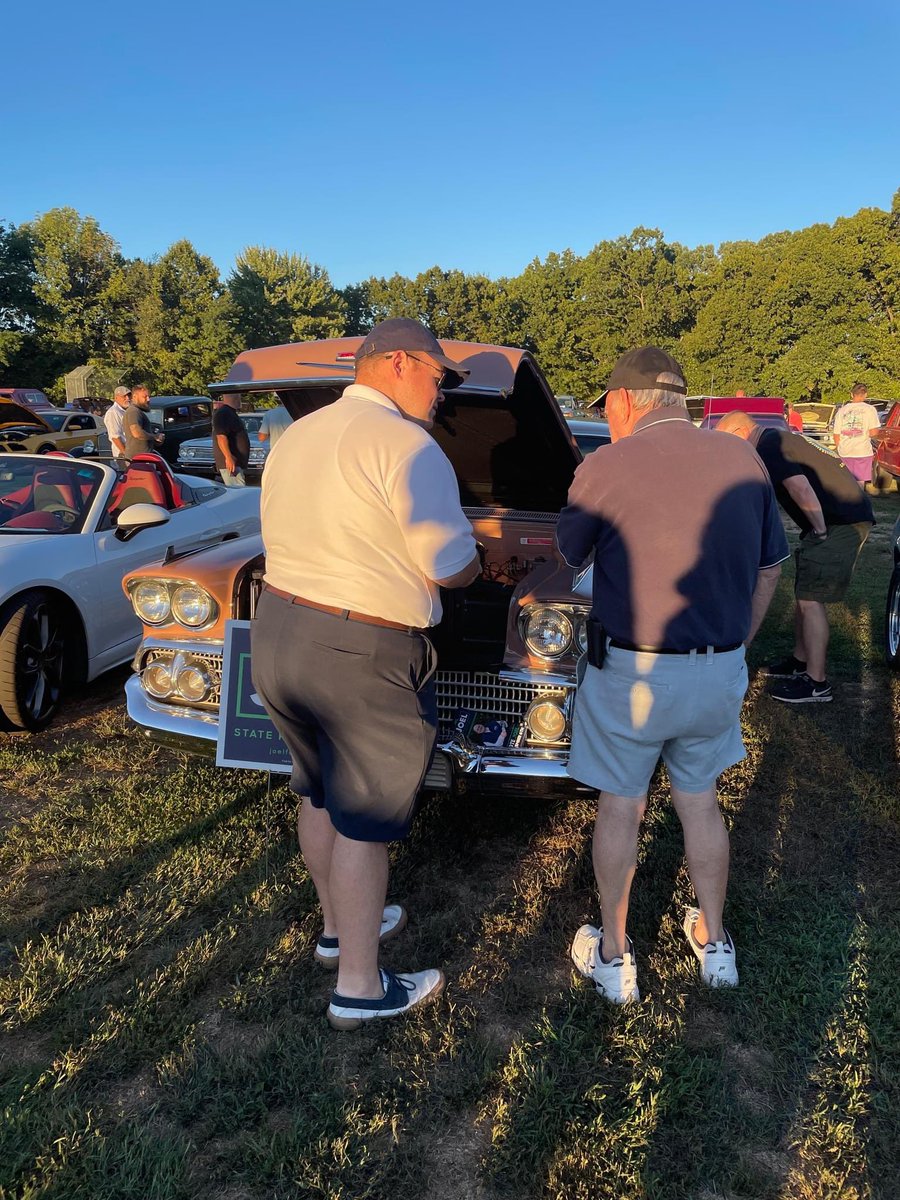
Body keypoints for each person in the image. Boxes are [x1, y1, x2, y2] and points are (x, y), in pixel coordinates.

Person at [251, 318, 481, 1029]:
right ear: (401, 363)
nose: (442, 394)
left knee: (318, 790)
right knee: (366, 821)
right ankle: (359, 985)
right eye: (440, 377)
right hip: (362, 649)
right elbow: (451, 564)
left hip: (281, 628)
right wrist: (476, 566)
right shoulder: (407, 446)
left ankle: (335, 927)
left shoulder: (300, 434)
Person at [557, 347, 788, 1005]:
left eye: (610, 408)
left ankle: (614, 956)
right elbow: (772, 565)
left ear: (626, 401)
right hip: (717, 668)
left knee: (622, 804)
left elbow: (570, 552)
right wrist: (736, 643)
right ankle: (715, 948)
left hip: (632, 672)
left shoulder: (603, 463)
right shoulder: (744, 459)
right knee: (701, 800)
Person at [717, 410, 874, 703]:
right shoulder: (778, 439)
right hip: (838, 519)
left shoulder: (768, 445)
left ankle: (816, 683)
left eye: (729, 442)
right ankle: (800, 661)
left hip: (841, 522)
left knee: (811, 599)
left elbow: (799, 486)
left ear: (740, 433)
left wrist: (819, 530)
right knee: (804, 593)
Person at [831, 384, 881, 485]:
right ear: (865, 395)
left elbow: (836, 434)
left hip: (845, 450)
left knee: (845, 481)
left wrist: (840, 447)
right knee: (860, 483)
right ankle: (859, 500)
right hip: (862, 451)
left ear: (851, 394)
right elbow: (873, 433)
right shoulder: (870, 409)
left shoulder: (842, 410)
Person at [212, 393, 250, 486]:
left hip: (236, 462)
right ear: (235, 397)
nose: (240, 399)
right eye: (239, 396)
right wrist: (228, 458)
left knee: (239, 488)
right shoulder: (223, 413)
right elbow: (221, 437)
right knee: (238, 491)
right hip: (231, 464)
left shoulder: (230, 412)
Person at [123, 385, 164, 460]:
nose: (148, 399)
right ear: (135, 397)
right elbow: (137, 433)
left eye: (149, 397)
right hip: (139, 459)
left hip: (143, 457)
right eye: (144, 397)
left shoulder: (137, 411)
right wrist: (155, 437)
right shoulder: (133, 411)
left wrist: (156, 440)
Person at [104, 385, 131, 459]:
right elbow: (115, 437)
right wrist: (125, 453)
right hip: (122, 455)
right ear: (116, 398)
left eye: (129, 395)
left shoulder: (126, 410)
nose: (127, 398)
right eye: (124, 396)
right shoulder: (113, 412)